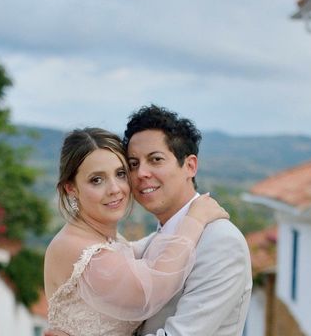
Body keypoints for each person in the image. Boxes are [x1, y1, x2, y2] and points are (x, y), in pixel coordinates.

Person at [44, 127, 229, 336]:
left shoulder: (107, 241)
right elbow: (147, 293)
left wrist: (173, 223)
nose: (115, 188)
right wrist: (194, 220)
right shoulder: (75, 247)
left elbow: (136, 252)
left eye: (120, 174)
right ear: (71, 188)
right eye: (97, 180)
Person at [124, 105, 252, 336]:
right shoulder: (157, 238)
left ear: (190, 166)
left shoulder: (221, 242)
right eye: (133, 164)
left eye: (155, 159)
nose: (141, 173)